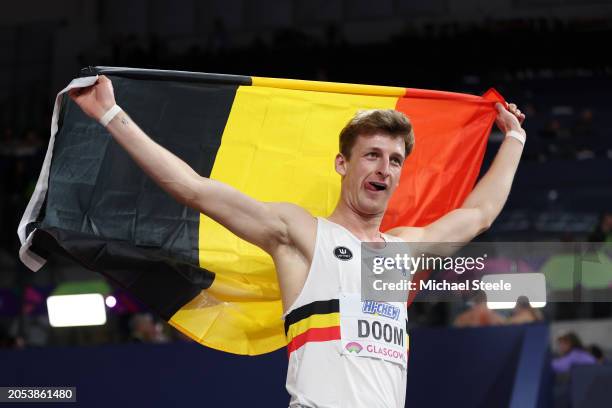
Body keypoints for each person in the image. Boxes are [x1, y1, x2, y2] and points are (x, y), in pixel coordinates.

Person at [69, 75, 526, 408]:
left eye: (394, 159)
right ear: (342, 164)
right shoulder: (302, 234)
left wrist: (515, 139)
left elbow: (479, 215)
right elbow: (193, 188)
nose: (384, 168)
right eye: (371, 155)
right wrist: (110, 113)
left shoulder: (403, 251)